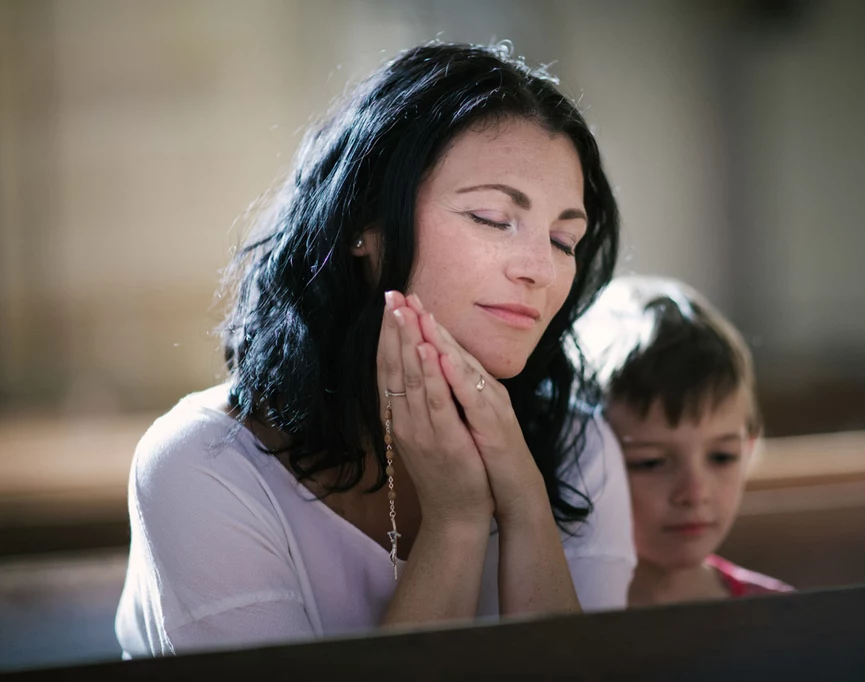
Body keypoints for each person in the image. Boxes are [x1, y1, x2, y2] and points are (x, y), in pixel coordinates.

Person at [115, 41, 635, 657]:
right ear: (367, 223)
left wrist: (524, 502)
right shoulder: (204, 465)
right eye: (494, 218)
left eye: (563, 239)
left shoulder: (577, 448)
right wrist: (457, 520)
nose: (540, 271)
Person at [576, 275, 791, 605]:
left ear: (749, 447)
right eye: (651, 463)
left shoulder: (777, 614)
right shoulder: (560, 608)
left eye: (722, 457)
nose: (694, 493)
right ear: (581, 462)